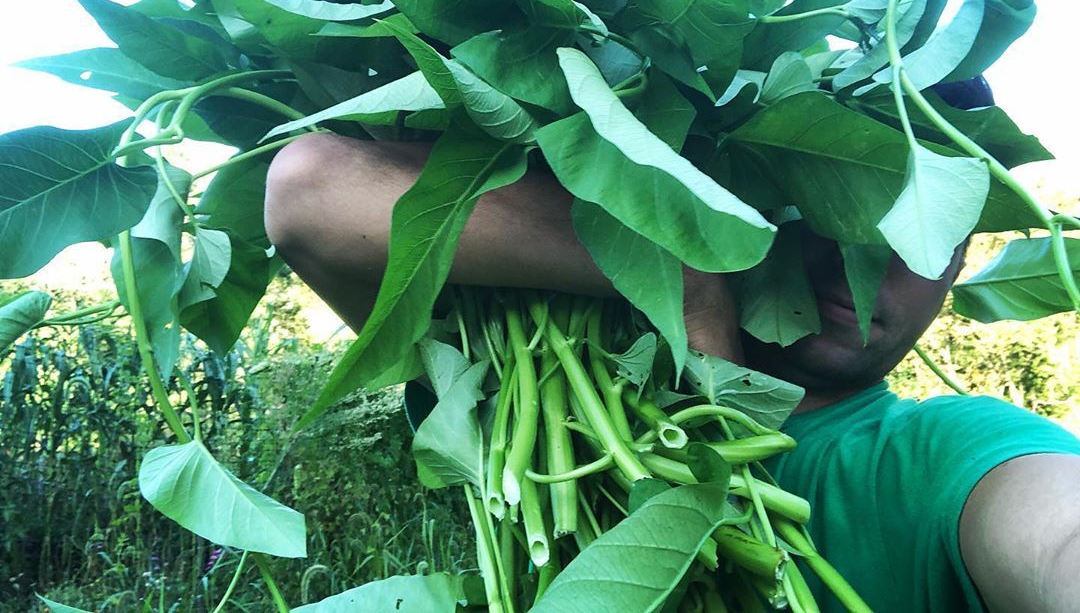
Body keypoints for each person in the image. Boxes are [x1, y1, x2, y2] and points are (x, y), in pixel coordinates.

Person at [263, 118, 1080, 612]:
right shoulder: (569, 376)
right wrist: (688, 276)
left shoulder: (944, 454)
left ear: (955, 272)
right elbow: (310, 190)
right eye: (836, 211)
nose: (855, 264)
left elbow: (1056, 538)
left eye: (917, 240)